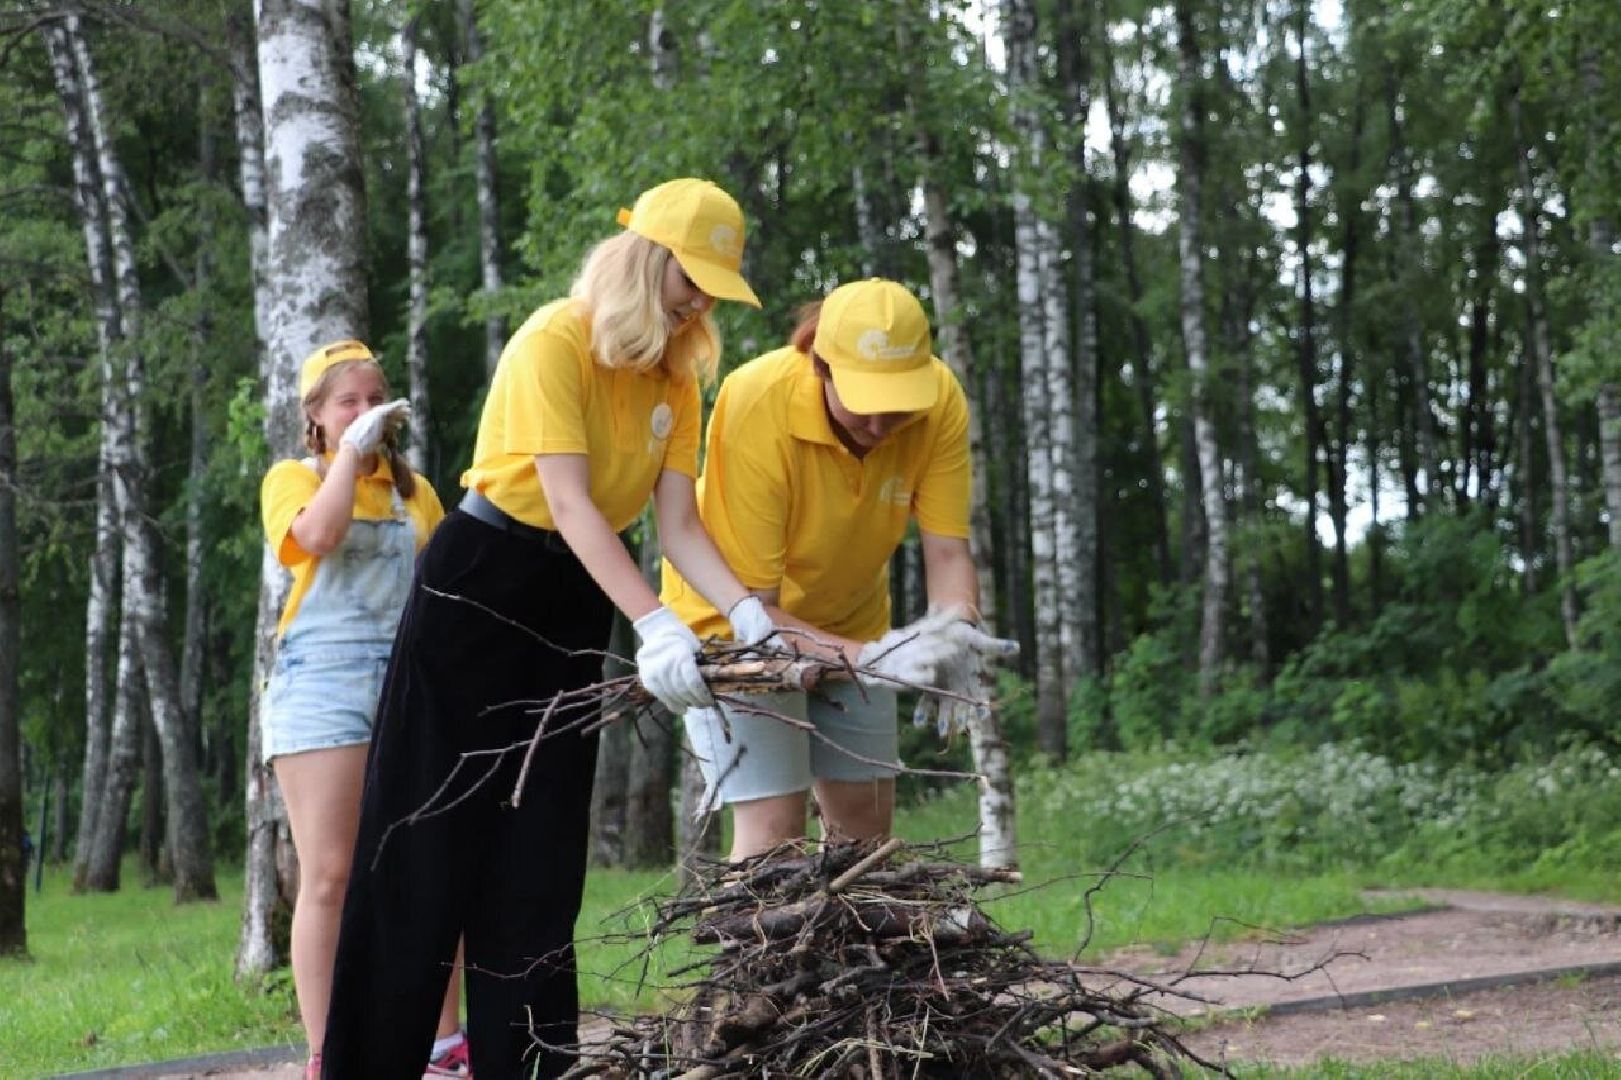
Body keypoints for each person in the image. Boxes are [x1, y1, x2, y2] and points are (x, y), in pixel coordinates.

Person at [322, 178, 777, 1080]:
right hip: (479, 585)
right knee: (422, 839)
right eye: (694, 282)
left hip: (573, 601)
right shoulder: (553, 339)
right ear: (649, 264)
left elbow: (677, 527)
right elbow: (567, 503)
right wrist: (652, 622)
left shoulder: (677, 377)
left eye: (714, 293)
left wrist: (746, 612)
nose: (701, 305)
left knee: (537, 857)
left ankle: (527, 1068)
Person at [662, 278, 1015, 861]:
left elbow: (949, 554)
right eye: (866, 405)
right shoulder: (758, 399)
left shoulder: (941, 399)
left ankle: (843, 957)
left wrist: (954, 634)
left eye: (898, 405)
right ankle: (758, 953)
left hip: (855, 623)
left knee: (865, 840)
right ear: (819, 365)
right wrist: (878, 661)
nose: (881, 426)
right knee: (774, 838)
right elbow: (759, 607)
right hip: (737, 626)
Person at [258, 340, 467, 1080]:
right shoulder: (296, 476)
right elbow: (315, 535)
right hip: (324, 688)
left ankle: (443, 1045)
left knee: (428, 864)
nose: (365, 410)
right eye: (347, 400)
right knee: (332, 874)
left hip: (409, 686)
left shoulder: (419, 496)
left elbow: (445, 596)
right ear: (314, 415)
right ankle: (328, 1051)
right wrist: (347, 455)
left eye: (375, 396)